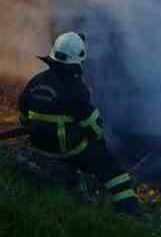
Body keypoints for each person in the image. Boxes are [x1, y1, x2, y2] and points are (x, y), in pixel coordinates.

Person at [18, 30, 138, 214]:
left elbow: (23, 116)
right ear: (80, 59)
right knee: (113, 170)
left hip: (39, 147)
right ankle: (130, 214)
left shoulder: (35, 81)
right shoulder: (76, 89)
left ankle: (76, 187)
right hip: (68, 150)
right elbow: (93, 125)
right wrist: (96, 141)